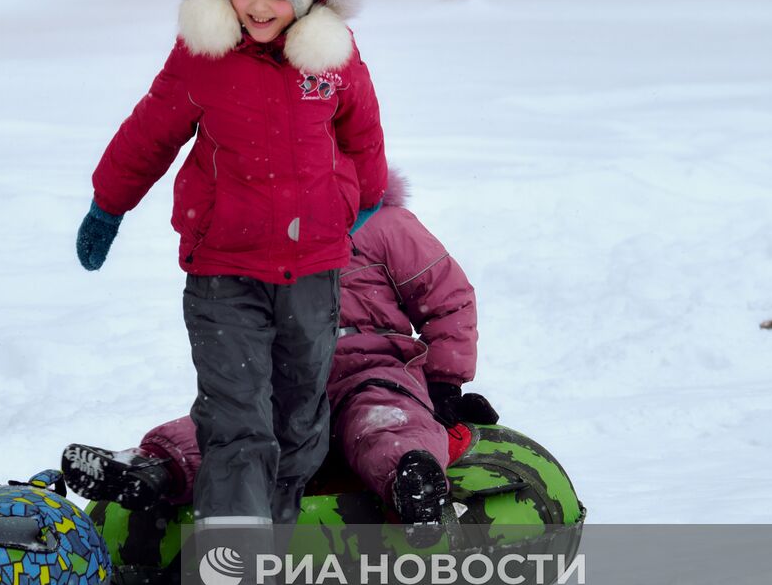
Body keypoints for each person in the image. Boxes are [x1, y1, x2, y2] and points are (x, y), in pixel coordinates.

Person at [74, 0, 387, 585]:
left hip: (314, 270)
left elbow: (365, 139)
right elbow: (146, 134)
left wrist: (364, 204)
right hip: (225, 273)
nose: (255, 6)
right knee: (239, 426)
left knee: (299, 425)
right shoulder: (203, 58)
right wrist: (108, 207)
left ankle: (266, 571)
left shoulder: (335, 61)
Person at [63, 171, 498, 531]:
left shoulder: (386, 225)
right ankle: (152, 467)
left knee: (383, 419)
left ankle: (413, 481)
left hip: (373, 366)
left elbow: (447, 298)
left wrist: (444, 382)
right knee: (236, 427)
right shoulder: (266, 233)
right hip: (287, 377)